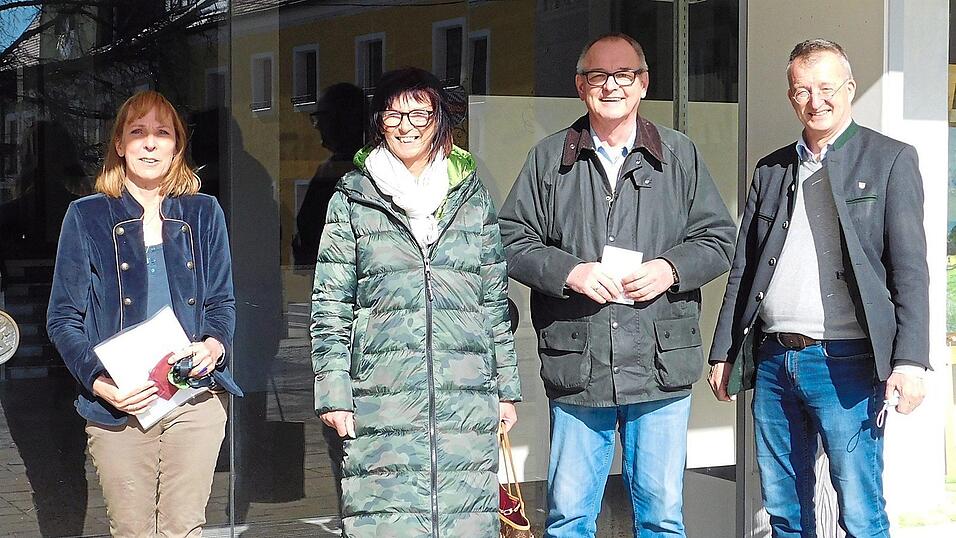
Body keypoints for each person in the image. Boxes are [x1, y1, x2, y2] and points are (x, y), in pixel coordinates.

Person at [499, 33, 735, 538]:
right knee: (568, 519)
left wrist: (670, 269)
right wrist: (570, 272)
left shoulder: (679, 155)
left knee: (662, 518)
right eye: (598, 76)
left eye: (623, 74)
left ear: (643, 83)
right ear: (580, 86)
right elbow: (511, 241)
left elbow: (718, 239)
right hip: (580, 366)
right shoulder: (549, 159)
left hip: (659, 363)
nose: (611, 86)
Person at [708, 39, 929, 537]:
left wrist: (910, 361)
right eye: (802, 90)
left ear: (849, 89)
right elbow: (744, 267)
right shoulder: (771, 169)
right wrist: (723, 350)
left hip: (848, 364)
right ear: (791, 96)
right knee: (785, 509)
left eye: (826, 88)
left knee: (860, 510)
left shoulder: (890, 159)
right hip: (772, 362)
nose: (816, 100)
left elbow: (910, 269)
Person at [310, 67, 521, 537]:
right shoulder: (353, 198)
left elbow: (493, 301)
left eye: (419, 114)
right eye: (393, 114)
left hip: (463, 395)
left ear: (439, 120)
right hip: (380, 399)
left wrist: (505, 387)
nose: (406, 125)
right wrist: (334, 394)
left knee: (465, 521)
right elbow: (330, 306)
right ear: (378, 122)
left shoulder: (471, 197)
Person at [46, 90, 243, 537]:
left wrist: (215, 344)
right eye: (137, 132)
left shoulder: (203, 212)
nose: (150, 143)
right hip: (119, 407)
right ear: (119, 144)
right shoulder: (87, 216)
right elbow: (63, 319)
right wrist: (101, 383)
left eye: (162, 133)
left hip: (193, 398)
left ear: (177, 146)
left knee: (184, 528)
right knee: (132, 530)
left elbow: (221, 302)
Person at [293, 82, 366, 266]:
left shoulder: (344, 173)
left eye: (321, 117)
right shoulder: (332, 170)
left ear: (342, 119)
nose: (317, 126)